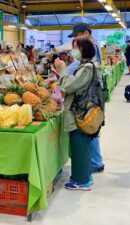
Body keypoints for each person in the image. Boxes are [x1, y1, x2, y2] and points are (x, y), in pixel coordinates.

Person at [54, 38, 99, 190]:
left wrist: (63, 69)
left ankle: (81, 181)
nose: (73, 51)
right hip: (85, 111)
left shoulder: (86, 68)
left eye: (75, 48)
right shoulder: (88, 66)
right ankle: (87, 174)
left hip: (79, 113)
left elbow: (68, 86)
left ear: (83, 50)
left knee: (79, 146)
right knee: (83, 146)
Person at [67, 23, 105, 174]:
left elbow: (81, 63)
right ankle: (95, 161)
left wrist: (65, 71)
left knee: (89, 126)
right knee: (92, 126)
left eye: (77, 36)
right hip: (95, 91)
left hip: (91, 94)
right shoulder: (93, 45)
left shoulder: (91, 47)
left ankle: (95, 162)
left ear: (86, 33)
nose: (76, 40)